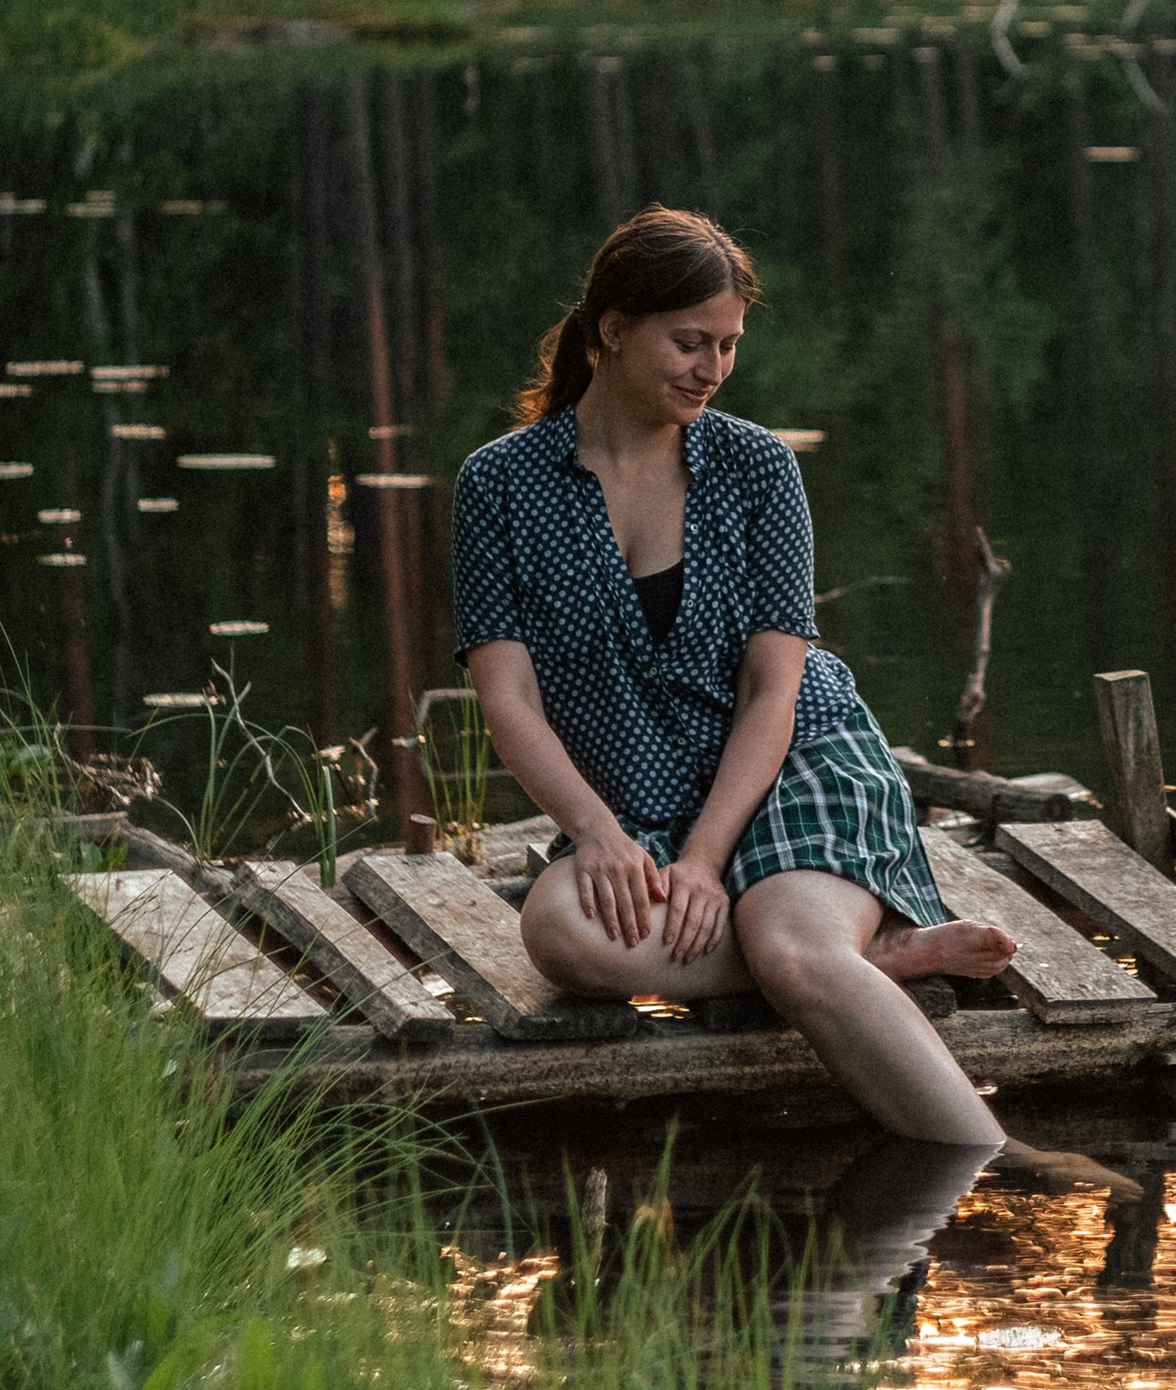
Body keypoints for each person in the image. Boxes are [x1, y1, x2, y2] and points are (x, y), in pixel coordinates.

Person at [455, 204, 1132, 1190]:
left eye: (728, 345)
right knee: (558, 929)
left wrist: (702, 861)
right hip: (635, 802)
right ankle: (878, 956)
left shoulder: (757, 467)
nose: (712, 369)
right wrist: (597, 834)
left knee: (791, 950)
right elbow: (508, 698)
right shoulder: (502, 485)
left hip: (793, 759)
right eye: (690, 341)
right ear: (613, 328)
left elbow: (774, 689)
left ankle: (1000, 1159)